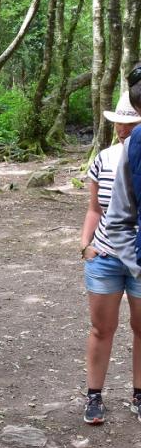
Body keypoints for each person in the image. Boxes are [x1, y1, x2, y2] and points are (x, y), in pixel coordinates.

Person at [80, 91, 141, 424]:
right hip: (104, 258)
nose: (121, 128)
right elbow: (93, 209)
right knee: (102, 329)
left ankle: (139, 395)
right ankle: (94, 397)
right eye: (118, 122)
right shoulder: (103, 158)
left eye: (129, 122)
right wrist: (84, 243)